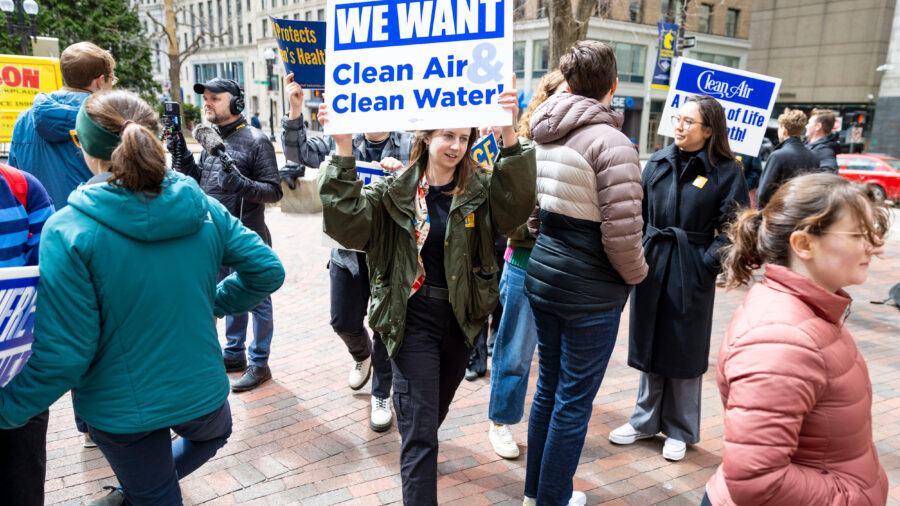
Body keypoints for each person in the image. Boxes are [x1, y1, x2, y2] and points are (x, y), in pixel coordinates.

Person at [0, 89, 285, 505]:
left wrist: (8, 409)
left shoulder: (68, 229)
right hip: (200, 392)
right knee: (204, 443)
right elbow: (266, 269)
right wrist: (214, 301)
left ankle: (140, 492)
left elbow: (66, 353)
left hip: (118, 409)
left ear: (80, 145)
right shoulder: (202, 206)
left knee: (154, 494)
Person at [317, 84, 535, 505]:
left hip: (459, 321)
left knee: (430, 417)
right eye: (447, 136)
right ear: (426, 137)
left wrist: (509, 136)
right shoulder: (392, 192)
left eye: (464, 138)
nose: (456, 146)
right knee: (419, 435)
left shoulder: (479, 191)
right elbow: (345, 226)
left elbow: (516, 211)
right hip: (410, 316)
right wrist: (343, 146)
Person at [704, 173, 889, 505]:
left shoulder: (810, 312)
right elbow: (757, 482)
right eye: (858, 234)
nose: (874, 247)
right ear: (804, 244)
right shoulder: (781, 338)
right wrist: (854, 497)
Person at [524, 41, 648, 506]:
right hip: (590, 290)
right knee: (573, 402)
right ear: (613, 85)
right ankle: (552, 498)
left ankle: (536, 492)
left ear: (570, 82)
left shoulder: (544, 132)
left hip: (546, 273)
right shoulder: (613, 144)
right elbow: (623, 237)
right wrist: (636, 276)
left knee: (550, 389)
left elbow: (534, 213)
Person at [610, 95, 749, 462]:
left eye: (689, 121)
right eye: (678, 118)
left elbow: (735, 227)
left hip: (691, 265)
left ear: (709, 130)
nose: (680, 126)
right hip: (653, 262)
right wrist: (638, 251)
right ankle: (644, 420)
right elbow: (635, 212)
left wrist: (706, 263)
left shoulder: (726, 170)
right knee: (649, 340)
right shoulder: (657, 161)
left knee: (683, 346)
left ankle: (679, 429)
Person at [282, 71, 413, 431]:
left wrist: (405, 175)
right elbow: (299, 153)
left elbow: (430, 181)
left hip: (388, 254)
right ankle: (362, 356)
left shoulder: (409, 141)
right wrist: (295, 110)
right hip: (346, 253)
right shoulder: (344, 138)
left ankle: (381, 392)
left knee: (385, 325)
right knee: (343, 320)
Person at [7, 40, 116, 447]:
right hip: (91, 234)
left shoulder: (24, 120)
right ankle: (96, 424)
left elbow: (18, 181)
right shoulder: (102, 119)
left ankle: (80, 424)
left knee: (61, 331)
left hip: (41, 244)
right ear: (100, 79)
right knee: (101, 330)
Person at [172, 77, 283, 392]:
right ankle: (234, 355)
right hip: (213, 235)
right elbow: (199, 181)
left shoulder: (256, 140)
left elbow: (274, 191)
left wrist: (242, 185)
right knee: (226, 294)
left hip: (247, 235)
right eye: (204, 98)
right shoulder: (209, 138)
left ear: (236, 102)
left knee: (258, 301)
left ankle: (260, 364)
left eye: (214, 98)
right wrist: (180, 152)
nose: (206, 103)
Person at [486, 69, 565, 460]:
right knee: (515, 350)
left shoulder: (586, 145)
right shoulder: (526, 148)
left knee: (560, 357)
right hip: (525, 260)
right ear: (545, 99)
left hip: (569, 267)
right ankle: (500, 420)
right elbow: (507, 215)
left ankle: (551, 425)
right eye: (563, 94)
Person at [0, 165, 54, 506]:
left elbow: (49, 276)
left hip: (17, 375)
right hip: (22, 382)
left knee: (22, 484)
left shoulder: (22, 188)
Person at [8, 41, 116, 209]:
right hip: (93, 226)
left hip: (41, 228)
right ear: (100, 82)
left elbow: (13, 183)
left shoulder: (23, 121)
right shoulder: (107, 120)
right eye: (112, 80)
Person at [756, 108, 820, 208]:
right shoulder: (814, 156)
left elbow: (763, 192)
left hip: (780, 213)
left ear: (784, 130)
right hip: (803, 213)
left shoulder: (778, 156)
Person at [805, 108, 840, 173]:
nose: (806, 126)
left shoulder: (825, 151)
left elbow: (828, 176)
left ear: (818, 126)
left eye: (809, 123)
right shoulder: (808, 145)